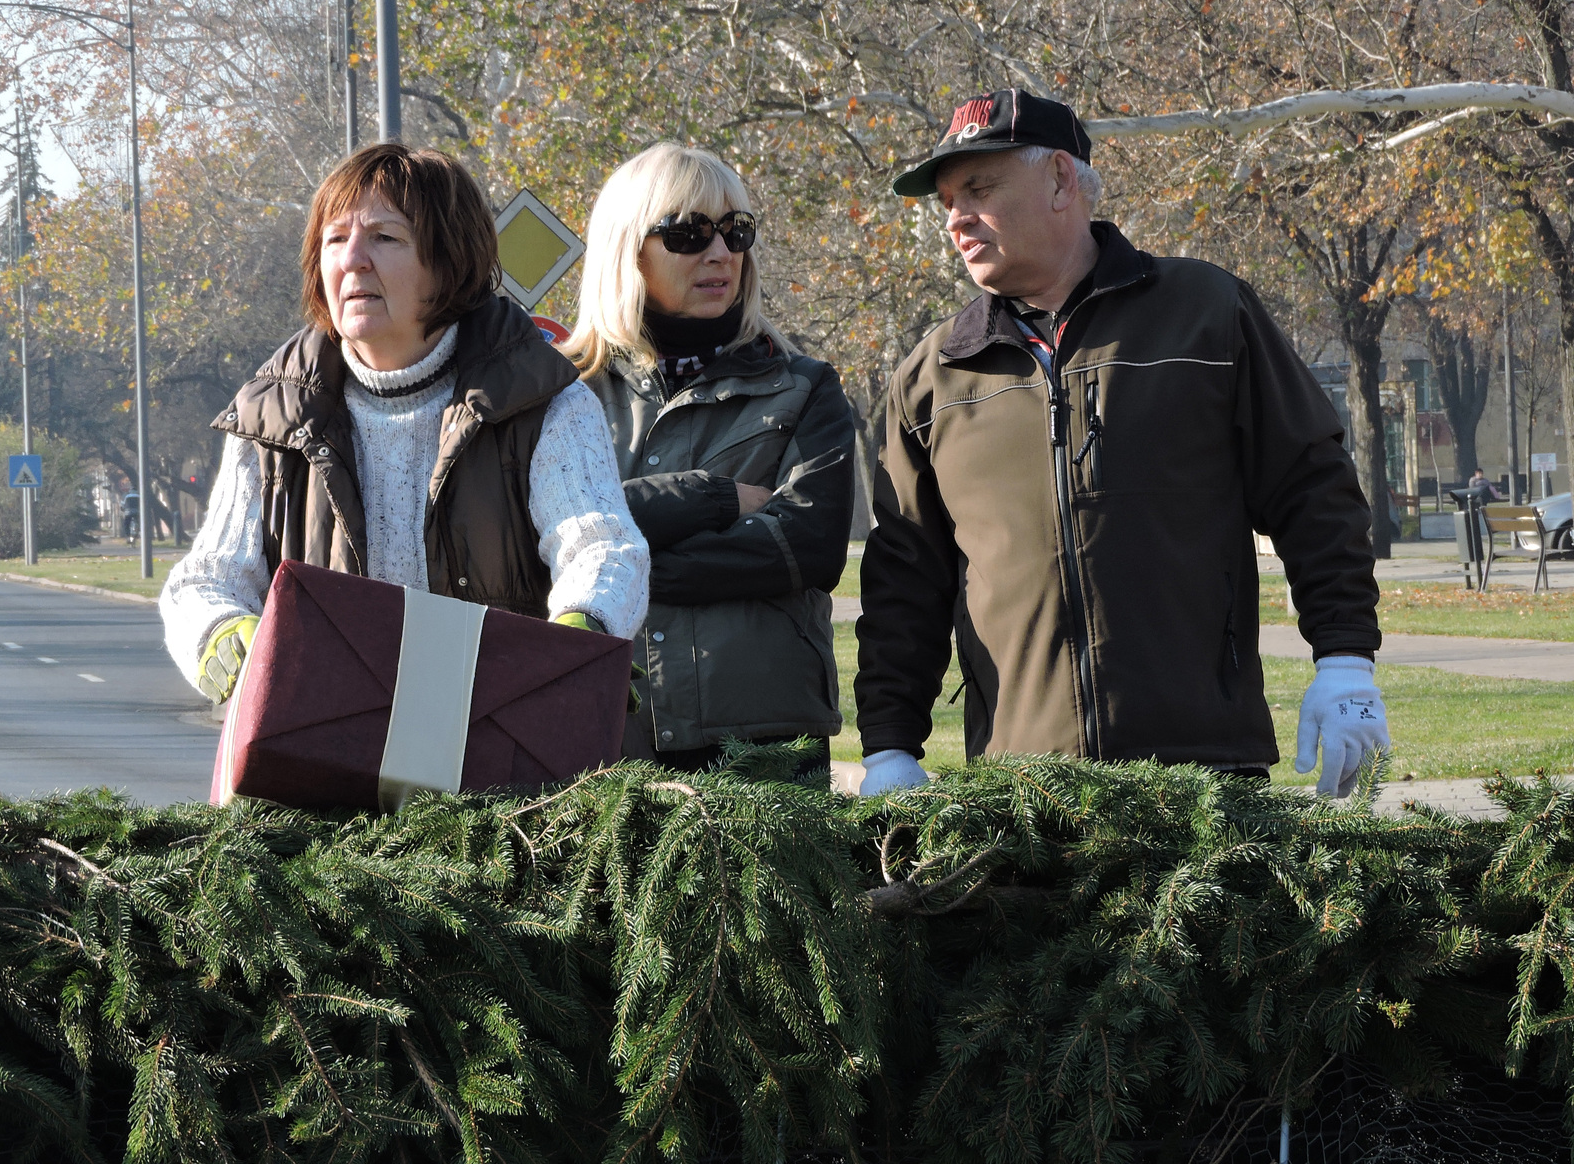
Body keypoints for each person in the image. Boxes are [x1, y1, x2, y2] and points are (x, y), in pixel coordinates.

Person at [855, 89, 1386, 798]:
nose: (955, 219)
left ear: (1060, 181)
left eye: (978, 189)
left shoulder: (1207, 315)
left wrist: (1345, 661)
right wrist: (890, 746)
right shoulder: (934, 376)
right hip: (1023, 789)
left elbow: (1312, 490)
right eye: (947, 201)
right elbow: (904, 580)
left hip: (1206, 773)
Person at [161, 143, 649, 703]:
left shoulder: (548, 404)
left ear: (450, 262)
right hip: (317, 739)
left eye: (384, 237)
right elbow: (207, 580)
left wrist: (584, 629)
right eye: (334, 239)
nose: (352, 260)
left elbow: (602, 549)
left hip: (495, 736)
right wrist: (218, 628)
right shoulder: (271, 418)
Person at [563, 143, 855, 771]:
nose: (721, 252)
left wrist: (612, 562)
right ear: (627, 249)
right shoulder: (562, 392)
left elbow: (806, 546)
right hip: (603, 737)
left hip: (765, 745)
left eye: (735, 231)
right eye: (688, 233)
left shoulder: (804, 386)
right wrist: (711, 499)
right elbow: (549, 530)